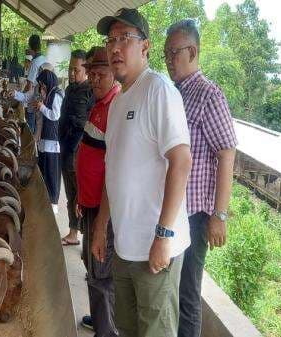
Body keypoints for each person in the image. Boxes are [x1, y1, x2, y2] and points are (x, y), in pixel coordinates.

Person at [91, 8, 192, 337]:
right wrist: (101, 226)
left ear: (145, 47)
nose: (115, 47)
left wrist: (163, 236)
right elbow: (113, 169)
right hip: (125, 246)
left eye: (125, 39)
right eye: (111, 40)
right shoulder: (119, 102)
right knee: (128, 329)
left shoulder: (159, 91)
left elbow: (181, 161)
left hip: (154, 250)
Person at [164, 19, 238, 337]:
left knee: (187, 295)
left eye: (174, 53)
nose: (168, 60)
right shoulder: (173, 93)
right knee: (168, 289)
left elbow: (227, 152)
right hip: (170, 211)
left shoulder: (210, 96)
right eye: (165, 54)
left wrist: (219, 215)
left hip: (193, 216)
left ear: (192, 52)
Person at [76, 46, 120, 337]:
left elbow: (112, 169)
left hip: (103, 211)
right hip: (89, 203)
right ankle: (99, 319)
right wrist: (81, 197)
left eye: (99, 73)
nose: (93, 79)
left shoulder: (115, 106)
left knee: (101, 274)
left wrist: (101, 223)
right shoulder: (99, 103)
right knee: (91, 265)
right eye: (90, 73)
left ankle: (107, 331)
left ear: (113, 73)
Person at [60, 49, 95, 245]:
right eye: (70, 69)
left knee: (79, 198)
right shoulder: (69, 89)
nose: (72, 74)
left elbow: (84, 125)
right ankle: (73, 232)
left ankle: (84, 236)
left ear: (85, 71)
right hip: (65, 150)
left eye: (76, 70)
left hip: (78, 152)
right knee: (71, 195)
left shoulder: (90, 91)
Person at [31, 69, 63, 207]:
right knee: (44, 170)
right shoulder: (48, 94)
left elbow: (55, 115)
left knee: (51, 174)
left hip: (53, 141)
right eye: (41, 85)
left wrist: (42, 107)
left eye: (43, 85)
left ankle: (53, 203)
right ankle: (45, 200)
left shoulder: (56, 95)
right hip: (45, 139)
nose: (42, 87)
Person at [24, 34, 47, 133]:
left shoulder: (34, 63)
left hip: (34, 100)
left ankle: (31, 145)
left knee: (31, 128)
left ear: (30, 46)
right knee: (39, 126)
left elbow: (29, 85)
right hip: (44, 99)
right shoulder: (44, 59)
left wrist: (21, 96)